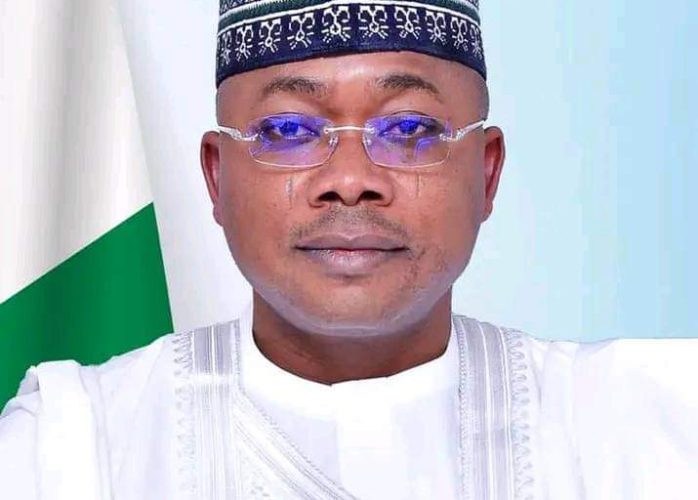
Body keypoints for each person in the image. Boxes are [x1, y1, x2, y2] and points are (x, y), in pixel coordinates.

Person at [1, 1, 697, 499]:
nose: (351, 179)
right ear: (217, 178)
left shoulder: (648, 427)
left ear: (486, 174)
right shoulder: (72, 450)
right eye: (286, 131)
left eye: (412, 130)